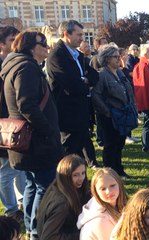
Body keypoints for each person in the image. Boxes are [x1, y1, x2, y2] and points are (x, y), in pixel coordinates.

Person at [0, 31, 64, 239]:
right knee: (44, 186)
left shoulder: (20, 65)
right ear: (30, 46)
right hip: (36, 141)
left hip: (29, 141)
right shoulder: (26, 67)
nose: (46, 46)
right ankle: (36, 230)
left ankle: (31, 228)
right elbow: (26, 104)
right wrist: (47, 129)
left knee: (32, 184)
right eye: (42, 43)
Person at [46, 20, 98, 166]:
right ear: (66, 34)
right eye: (79, 34)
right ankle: (66, 185)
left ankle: (78, 184)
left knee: (78, 155)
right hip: (67, 114)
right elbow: (72, 85)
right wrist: (83, 82)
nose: (82, 38)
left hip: (81, 111)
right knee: (68, 154)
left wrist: (84, 80)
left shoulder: (78, 55)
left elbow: (95, 76)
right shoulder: (57, 56)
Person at [91, 44, 136, 178]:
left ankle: (119, 169)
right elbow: (96, 95)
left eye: (119, 56)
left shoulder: (120, 72)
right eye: (115, 56)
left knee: (120, 143)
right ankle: (109, 174)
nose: (118, 59)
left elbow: (128, 90)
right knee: (111, 145)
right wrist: (107, 112)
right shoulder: (102, 75)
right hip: (110, 116)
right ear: (107, 58)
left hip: (123, 114)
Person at [0, 26, 25, 223]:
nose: (15, 43)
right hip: (3, 126)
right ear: (2, 44)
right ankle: (10, 209)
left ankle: (22, 200)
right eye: (11, 40)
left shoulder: (14, 63)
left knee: (19, 166)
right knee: (6, 170)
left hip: (16, 123)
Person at [37, 155, 91, 239]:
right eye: (75, 175)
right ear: (66, 176)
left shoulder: (59, 185)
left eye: (83, 173)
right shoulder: (62, 203)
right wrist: (84, 233)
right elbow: (48, 237)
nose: (81, 178)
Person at [77, 168, 127, 240]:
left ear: (119, 184)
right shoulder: (99, 222)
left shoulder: (123, 206)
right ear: (95, 192)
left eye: (112, 185)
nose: (108, 192)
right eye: (103, 189)